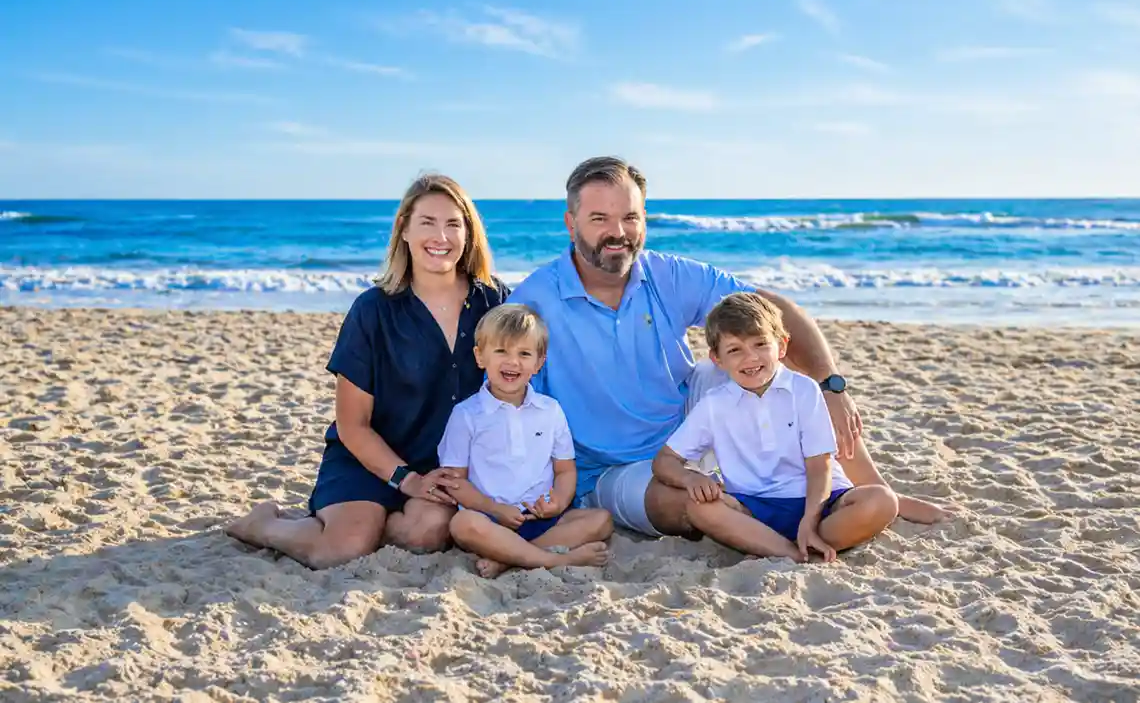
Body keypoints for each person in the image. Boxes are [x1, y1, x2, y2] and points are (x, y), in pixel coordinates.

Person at [506, 155, 949, 539]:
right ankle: (781, 519)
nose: (618, 232)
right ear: (570, 222)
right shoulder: (534, 301)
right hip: (608, 464)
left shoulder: (666, 274)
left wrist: (831, 387)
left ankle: (864, 487)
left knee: (762, 355)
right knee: (684, 509)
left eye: (631, 217)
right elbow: (514, 403)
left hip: (685, 414)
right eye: (599, 219)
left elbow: (773, 311)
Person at [225, 174, 509, 569]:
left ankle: (370, 522)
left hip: (443, 468)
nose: (440, 236)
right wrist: (407, 481)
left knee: (427, 534)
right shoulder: (373, 309)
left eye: (453, 224)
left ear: (468, 233)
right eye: (427, 222)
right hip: (368, 459)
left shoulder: (495, 302)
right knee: (341, 550)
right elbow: (352, 424)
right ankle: (264, 526)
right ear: (404, 230)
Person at [652, 292, 898, 561]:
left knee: (882, 501)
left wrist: (810, 519)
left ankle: (800, 540)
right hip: (754, 509)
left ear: (781, 347)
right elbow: (665, 460)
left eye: (760, 344)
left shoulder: (804, 390)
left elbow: (820, 465)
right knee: (700, 508)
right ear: (717, 360)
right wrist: (691, 478)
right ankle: (792, 552)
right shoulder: (714, 404)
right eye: (735, 350)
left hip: (820, 501)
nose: (750, 358)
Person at [441, 304, 613, 578]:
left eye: (524, 353)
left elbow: (565, 470)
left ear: (539, 362)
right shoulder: (466, 415)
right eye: (501, 351)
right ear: (480, 356)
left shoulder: (550, 410)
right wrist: (495, 509)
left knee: (601, 520)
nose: (513, 362)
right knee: (462, 524)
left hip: (540, 518)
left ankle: (508, 559)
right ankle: (553, 559)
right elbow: (455, 482)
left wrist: (556, 502)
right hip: (490, 519)